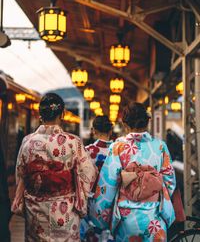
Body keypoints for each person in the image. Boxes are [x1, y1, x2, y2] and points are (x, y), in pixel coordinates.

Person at [12, 93, 97, 242]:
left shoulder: (27, 142)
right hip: (65, 212)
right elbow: (88, 172)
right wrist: (80, 200)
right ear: (62, 114)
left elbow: (20, 175)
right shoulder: (72, 142)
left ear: (40, 115)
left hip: (35, 211)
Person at [91, 102, 176, 242]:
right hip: (154, 218)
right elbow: (170, 182)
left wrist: (99, 216)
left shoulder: (118, 147)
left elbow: (107, 184)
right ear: (148, 122)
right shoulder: (160, 147)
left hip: (126, 220)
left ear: (125, 124)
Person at [80, 115, 114, 241]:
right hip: (113, 199)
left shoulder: (87, 151)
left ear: (93, 131)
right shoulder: (118, 151)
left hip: (92, 200)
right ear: (111, 131)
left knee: (92, 235)